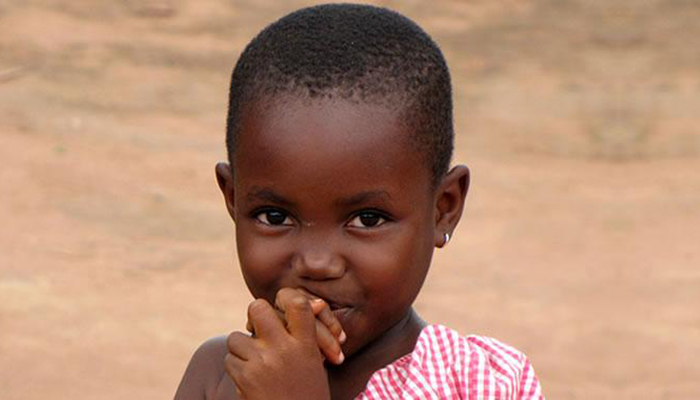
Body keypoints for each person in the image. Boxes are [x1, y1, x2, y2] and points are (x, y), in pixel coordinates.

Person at [174, 4, 544, 399]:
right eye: (275, 215)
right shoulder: (220, 374)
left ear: (444, 208)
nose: (317, 262)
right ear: (232, 199)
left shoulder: (480, 382)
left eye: (367, 219)